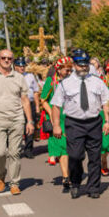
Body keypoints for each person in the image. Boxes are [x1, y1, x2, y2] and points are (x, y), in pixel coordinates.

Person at [51, 49, 109, 199]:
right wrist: (56, 125)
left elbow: (105, 103)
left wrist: (107, 121)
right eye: (80, 65)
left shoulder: (98, 82)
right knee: (75, 156)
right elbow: (56, 106)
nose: (83, 67)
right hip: (74, 124)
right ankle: (76, 183)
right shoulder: (65, 84)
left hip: (94, 122)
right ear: (74, 65)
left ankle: (93, 187)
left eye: (85, 65)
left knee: (95, 157)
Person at [0, 50, 34, 195]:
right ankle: (1, 176)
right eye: (3, 58)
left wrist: (30, 121)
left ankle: (15, 182)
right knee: (0, 152)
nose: (7, 60)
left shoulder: (19, 78)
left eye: (10, 58)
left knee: (15, 152)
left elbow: (25, 100)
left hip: (17, 119)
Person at [41, 57, 72, 188]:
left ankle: (70, 173)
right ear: (59, 70)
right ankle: (66, 176)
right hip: (57, 118)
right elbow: (43, 99)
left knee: (72, 148)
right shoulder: (51, 81)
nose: (69, 73)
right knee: (62, 147)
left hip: (71, 117)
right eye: (67, 70)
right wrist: (51, 115)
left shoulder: (73, 81)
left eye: (71, 70)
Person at [14, 58, 40, 158]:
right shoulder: (11, 77)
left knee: (30, 126)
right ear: (15, 66)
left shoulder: (30, 76)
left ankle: (28, 149)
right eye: (20, 66)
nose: (22, 67)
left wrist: (37, 106)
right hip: (16, 105)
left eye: (23, 65)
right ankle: (15, 149)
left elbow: (36, 91)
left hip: (30, 103)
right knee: (16, 127)